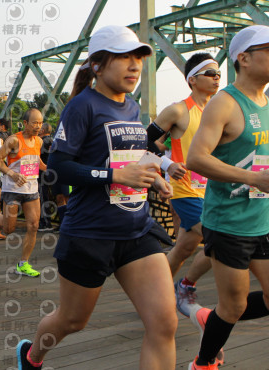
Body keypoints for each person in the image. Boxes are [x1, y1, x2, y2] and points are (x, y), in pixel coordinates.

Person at [16, 25, 176, 369]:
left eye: (139, 58)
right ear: (98, 65)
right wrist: (115, 175)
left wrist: (153, 175)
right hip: (90, 233)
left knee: (164, 324)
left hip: (136, 230)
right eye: (123, 57)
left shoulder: (132, 107)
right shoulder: (82, 106)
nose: (134, 65)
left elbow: (131, 156)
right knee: (72, 321)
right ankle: (32, 356)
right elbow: (58, 168)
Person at [185, 25, 269, 370]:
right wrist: (254, 178)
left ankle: (211, 317)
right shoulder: (225, 102)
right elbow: (196, 158)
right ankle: (203, 362)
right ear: (244, 58)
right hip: (229, 222)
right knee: (232, 306)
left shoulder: (265, 102)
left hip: (262, 220)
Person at [146, 52, 220, 319]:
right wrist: (166, 165)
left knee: (183, 248)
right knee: (221, 241)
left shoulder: (217, 112)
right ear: (192, 80)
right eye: (210, 73)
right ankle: (184, 287)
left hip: (212, 191)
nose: (217, 78)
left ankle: (153, 294)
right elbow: (141, 141)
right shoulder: (178, 110)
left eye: (218, 73)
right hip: (185, 191)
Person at [0, 108, 46, 277]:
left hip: (31, 190)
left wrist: (50, 168)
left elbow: (36, 160)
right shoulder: (13, 140)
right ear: (25, 123)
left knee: (34, 225)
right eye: (34, 123)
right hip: (12, 189)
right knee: (8, 229)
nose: (38, 126)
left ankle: (23, 264)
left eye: (40, 123)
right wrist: (12, 173)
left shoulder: (39, 141)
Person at [38, 122, 57, 232]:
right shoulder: (53, 141)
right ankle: (47, 221)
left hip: (42, 172)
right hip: (51, 173)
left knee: (42, 197)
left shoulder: (41, 142)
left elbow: (37, 156)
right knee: (48, 196)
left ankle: (45, 222)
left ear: (43, 130)